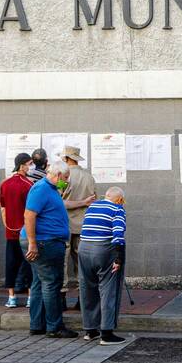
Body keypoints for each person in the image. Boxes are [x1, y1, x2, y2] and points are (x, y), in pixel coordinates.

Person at [23, 160, 76, 339]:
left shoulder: (51, 189)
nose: (67, 181)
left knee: (39, 282)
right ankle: (54, 326)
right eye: (66, 178)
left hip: (45, 242)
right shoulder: (41, 189)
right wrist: (32, 243)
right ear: (58, 175)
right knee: (51, 283)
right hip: (45, 242)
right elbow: (29, 214)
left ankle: (37, 324)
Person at [78, 187, 129, 345]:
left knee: (87, 288)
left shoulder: (92, 206)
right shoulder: (117, 209)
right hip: (104, 250)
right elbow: (118, 234)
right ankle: (106, 333)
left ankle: (90, 330)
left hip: (83, 248)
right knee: (108, 290)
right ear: (120, 199)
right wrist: (119, 259)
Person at [57, 145, 98, 310]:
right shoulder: (89, 177)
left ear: (66, 158)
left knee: (62, 264)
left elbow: (57, 200)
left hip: (64, 225)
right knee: (82, 263)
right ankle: (83, 300)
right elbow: (95, 200)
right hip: (84, 225)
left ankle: (61, 299)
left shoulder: (62, 177)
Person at [0, 152, 34, 308]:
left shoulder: (4, 184)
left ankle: (11, 298)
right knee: (29, 265)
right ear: (22, 165)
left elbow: (3, 208)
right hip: (25, 232)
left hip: (10, 232)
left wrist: (7, 225)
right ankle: (30, 298)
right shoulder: (29, 185)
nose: (31, 167)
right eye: (29, 164)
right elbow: (31, 210)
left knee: (11, 264)